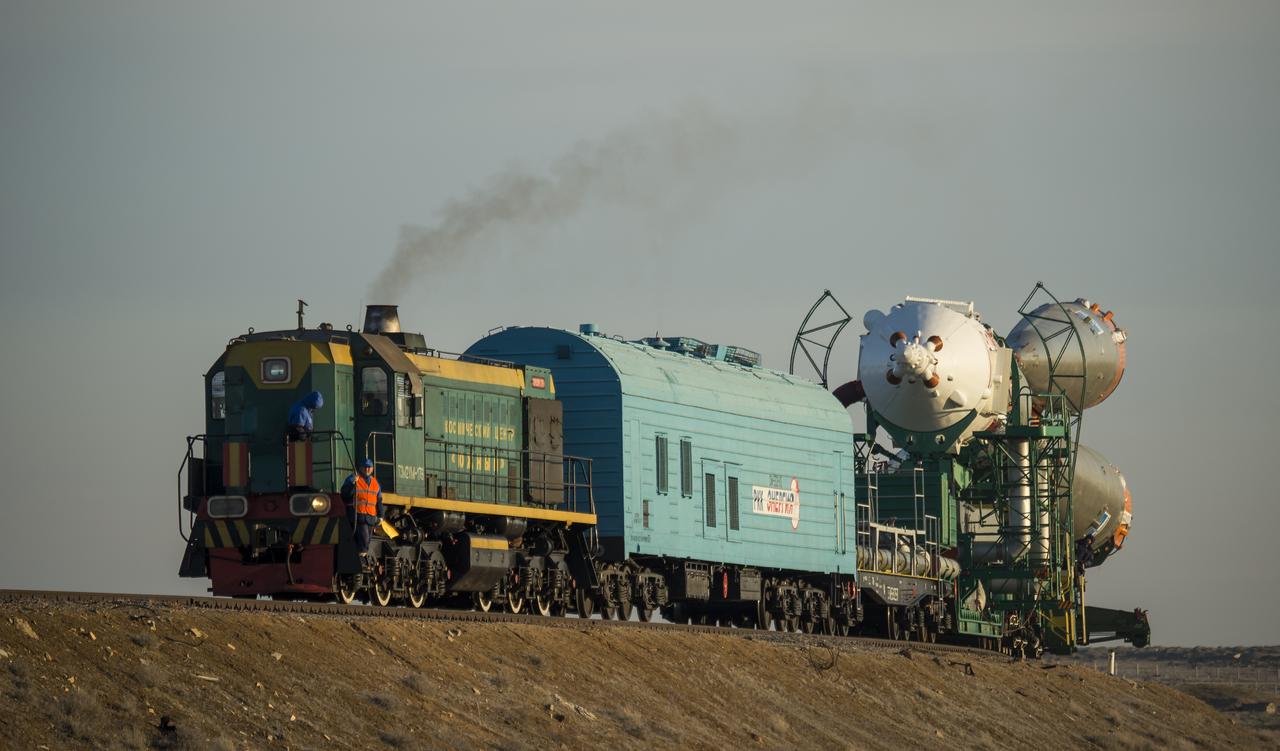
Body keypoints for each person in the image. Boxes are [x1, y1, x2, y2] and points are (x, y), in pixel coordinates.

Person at [342, 458, 383, 556]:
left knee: (367, 540)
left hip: (370, 517)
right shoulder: (353, 478)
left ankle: (361, 557)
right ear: (360, 468)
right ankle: (360, 559)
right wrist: (352, 483)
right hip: (358, 515)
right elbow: (344, 493)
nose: (367, 469)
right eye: (365, 467)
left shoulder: (375, 483)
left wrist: (381, 516)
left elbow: (379, 501)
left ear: (372, 469)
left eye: (369, 467)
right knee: (364, 540)